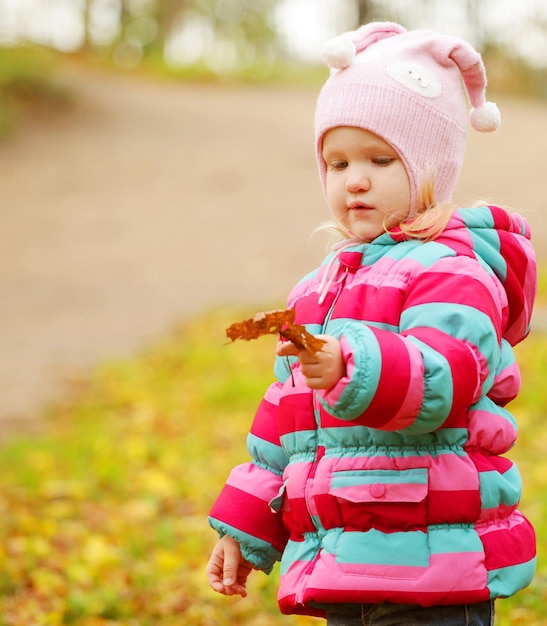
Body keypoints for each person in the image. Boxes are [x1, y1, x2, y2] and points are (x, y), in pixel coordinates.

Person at [206, 21, 537, 626]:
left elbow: (446, 378)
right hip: (342, 562)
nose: (354, 179)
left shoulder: (453, 271)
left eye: (379, 159)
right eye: (336, 163)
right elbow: (285, 421)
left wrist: (351, 363)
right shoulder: (316, 290)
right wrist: (246, 527)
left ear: (431, 167)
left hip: (435, 564)